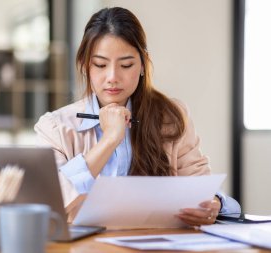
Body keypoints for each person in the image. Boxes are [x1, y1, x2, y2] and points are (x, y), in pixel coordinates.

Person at [34, 7, 240, 226]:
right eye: (101, 65)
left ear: (143, 65)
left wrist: (214, 203)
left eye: (126, 65)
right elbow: (49, 203)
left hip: (159, 245)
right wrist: (110, 139)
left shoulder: (172, 117)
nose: (112, 77)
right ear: (86, 66)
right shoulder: (54, 127)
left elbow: (203, 186)